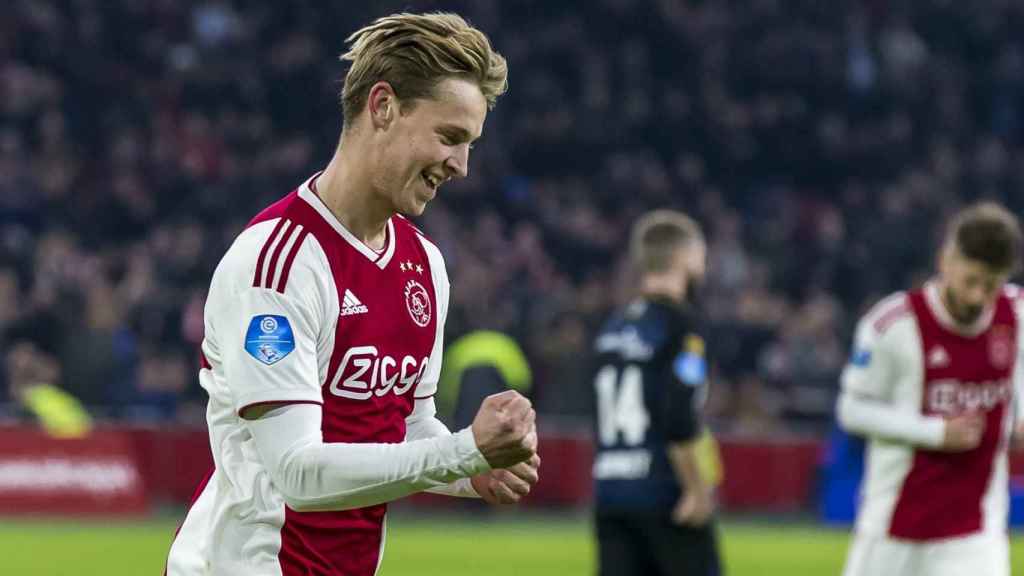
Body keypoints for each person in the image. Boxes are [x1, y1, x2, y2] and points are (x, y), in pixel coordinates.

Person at [165, 13, 540, 576]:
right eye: (450, 137)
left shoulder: (424, 264)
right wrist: (463, 452)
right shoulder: (278, 265)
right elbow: (296, 473)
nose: (461, 166)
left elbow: (407, 423)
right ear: (383, 107)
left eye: (469, 145)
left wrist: (470, 473)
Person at [838, 201, 1024, 576]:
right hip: (893, 530)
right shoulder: (892, 325)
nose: (977, 297)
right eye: (970, 281)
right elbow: (851, 410)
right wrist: (936, 432)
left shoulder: (1017, 314)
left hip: (975, 535)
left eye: (991, 285)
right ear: (945, 262)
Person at [589, 210, 722, 576]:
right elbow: (678, 411)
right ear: (686, 256)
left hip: (611, 491)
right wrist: (696, 489)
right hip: (664, 494)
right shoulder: (684, 325)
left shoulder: (612, 328)